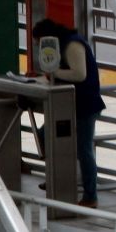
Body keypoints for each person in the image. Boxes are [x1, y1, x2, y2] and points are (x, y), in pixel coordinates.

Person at [32, 17, 105, 208]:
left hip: (84, 105)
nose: (39, 46)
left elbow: (79, 74)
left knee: (84, 149)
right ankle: (57, 178)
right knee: (44, 134)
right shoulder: (61, 46)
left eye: (39, 42)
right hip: (67, 104)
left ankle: (90, 195)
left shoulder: (72, 45)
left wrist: (54, 73)